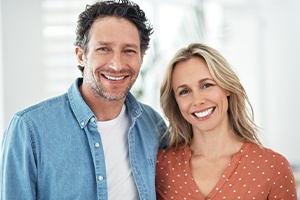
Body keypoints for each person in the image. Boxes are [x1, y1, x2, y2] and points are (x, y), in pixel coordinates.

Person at [0, 0, 167, 199]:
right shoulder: (29, 129)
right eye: (104, 49)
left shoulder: (153, 124)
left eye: (129, 51)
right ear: (81, 55)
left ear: (141, 57)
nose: (116, 65)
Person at [155, 43, 298, 199]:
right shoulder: (160, 166)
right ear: (175, 102)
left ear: (227, 87)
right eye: (184, 91)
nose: (197, 100)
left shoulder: (273, 167)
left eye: (206, 85)